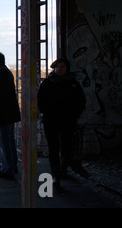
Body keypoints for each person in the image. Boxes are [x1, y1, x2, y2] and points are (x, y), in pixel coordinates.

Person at [37, 57, 88, 188]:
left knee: (66, 148)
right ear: (54, 67)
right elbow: (40, 101)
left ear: (66, 68)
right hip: (52, 121)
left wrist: (74, 115)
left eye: (62, 67)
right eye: (58, 67)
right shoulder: (48, 83)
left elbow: (81, 102)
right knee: (54, 149)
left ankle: (62, 170)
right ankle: (56, 174)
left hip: (66, 121)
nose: (60, 69)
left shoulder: (73, 84)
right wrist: (46, 113)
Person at [0, 52, 21, 179]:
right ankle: (12, 166)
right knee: (9, 140)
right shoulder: (5, 72)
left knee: (4, 141)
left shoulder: (1, 73)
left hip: (4, 113)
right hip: (9, 113)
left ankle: (7, 169)